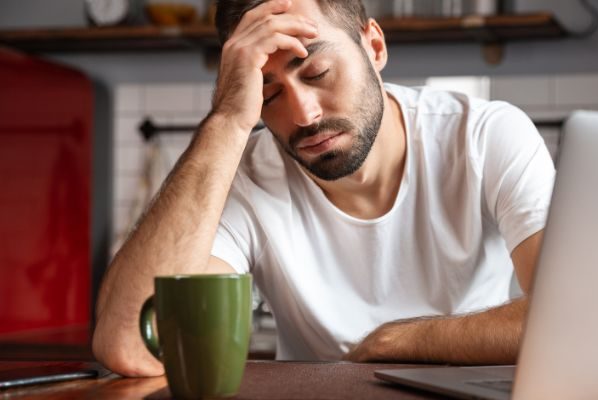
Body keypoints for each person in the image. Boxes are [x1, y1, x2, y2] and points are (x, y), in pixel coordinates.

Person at [92, 0, 555, 377]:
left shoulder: (486, 135)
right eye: (267, 95)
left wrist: (395, 341)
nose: (305, 115)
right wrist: (228, 117)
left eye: (316, 73)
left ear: (374, 47)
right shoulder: (243, 176)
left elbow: (572, 318)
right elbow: (131, 347)